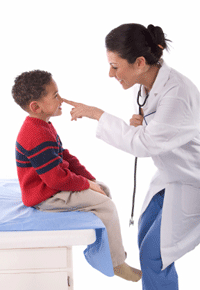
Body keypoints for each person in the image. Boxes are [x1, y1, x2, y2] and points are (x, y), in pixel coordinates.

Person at [62, 23, 200, 290]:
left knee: (154, 254)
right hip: (170, 176)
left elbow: (144, 145)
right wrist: (144, 126)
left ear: (139, 62)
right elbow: (160, 134)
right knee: (144, 238)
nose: (110, 73)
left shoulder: (177, 94)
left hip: (191, 181)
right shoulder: (150, 85)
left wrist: (96, 114)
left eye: (115, 66)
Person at [11, 70, 142, 282]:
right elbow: (55, 179)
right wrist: (87, 186)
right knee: (107, 206)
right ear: (36, 106)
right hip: (44, 196)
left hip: (53, 187)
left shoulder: (43, 126)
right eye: (55, 96)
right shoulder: (35, 134)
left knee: (104, 189)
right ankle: (116, 263)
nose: (61, 99)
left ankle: (104, 249)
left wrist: (90, 180)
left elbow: (64, 156)